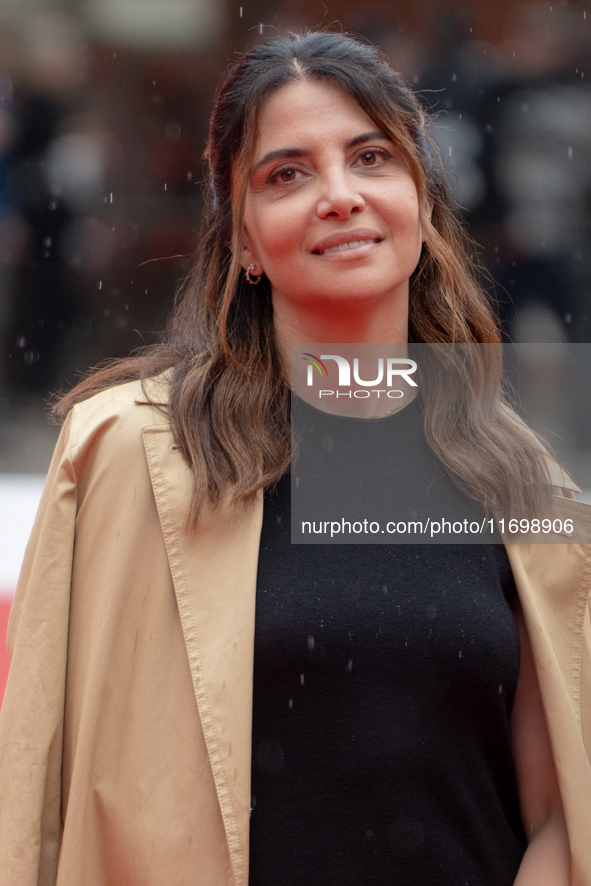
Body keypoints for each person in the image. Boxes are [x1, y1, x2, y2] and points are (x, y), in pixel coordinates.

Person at [0, 30, 590, 886]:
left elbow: (565, 811)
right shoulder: (124, 451)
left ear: (421, 206)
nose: (339, 196)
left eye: (371, 158)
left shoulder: (521, 477)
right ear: (242, 240)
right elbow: (35, 801)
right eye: (287, 174)